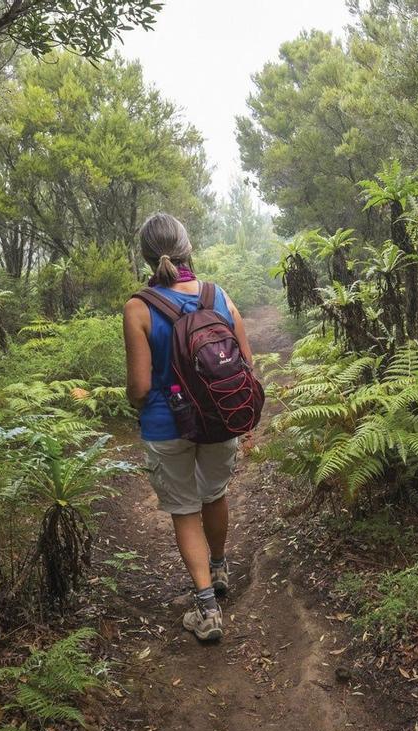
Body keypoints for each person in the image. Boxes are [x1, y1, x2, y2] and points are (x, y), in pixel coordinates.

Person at [122, 212, 254, 642]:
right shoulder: (218, 296)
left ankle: (206, 609)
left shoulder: (138, 308)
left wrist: (139, 404)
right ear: (187, 248)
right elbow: (247, 365)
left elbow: (139, 387)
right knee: (214, 494)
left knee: (184, 509)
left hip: (167, 425)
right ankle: (219, 568)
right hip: (219, 417)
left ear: (145, 255)